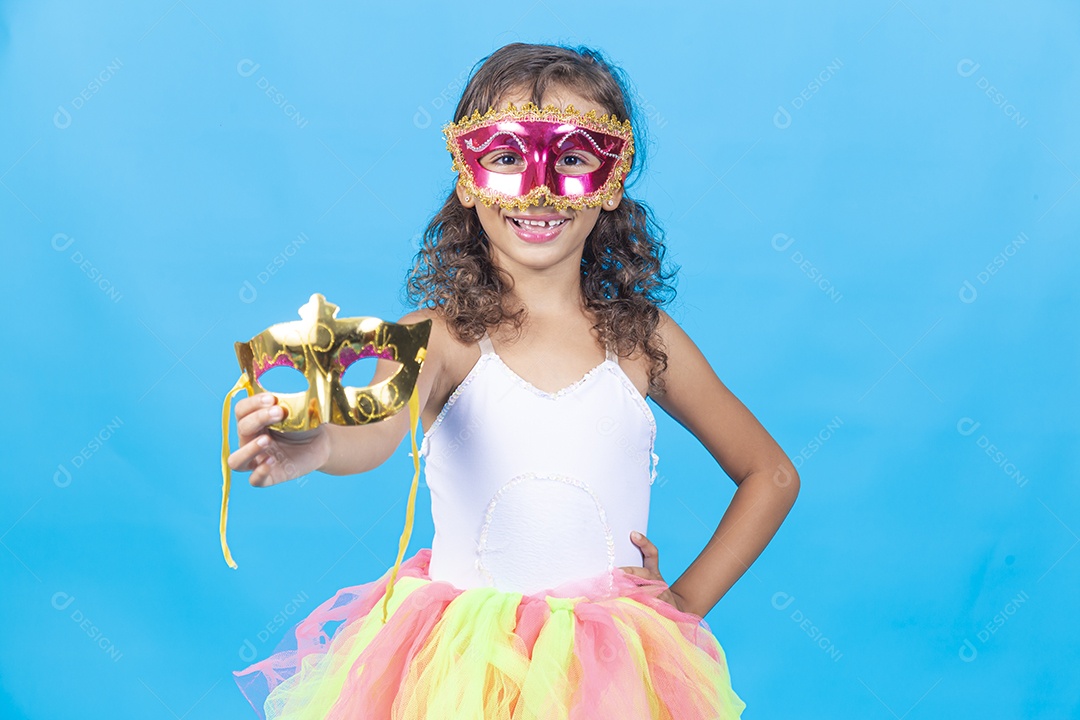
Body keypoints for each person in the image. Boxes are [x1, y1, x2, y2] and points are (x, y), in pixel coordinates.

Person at [227, 42, 799, 720]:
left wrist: (684, 604)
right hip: (463, 672)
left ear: (611, 178)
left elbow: (771, 474)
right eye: (505, 157)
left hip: (612, 674)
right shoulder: (443, 338)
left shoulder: (644, 341)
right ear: (468, 177)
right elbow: (378, 431)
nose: (539, 189)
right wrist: (318, 445)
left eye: (574, 158)